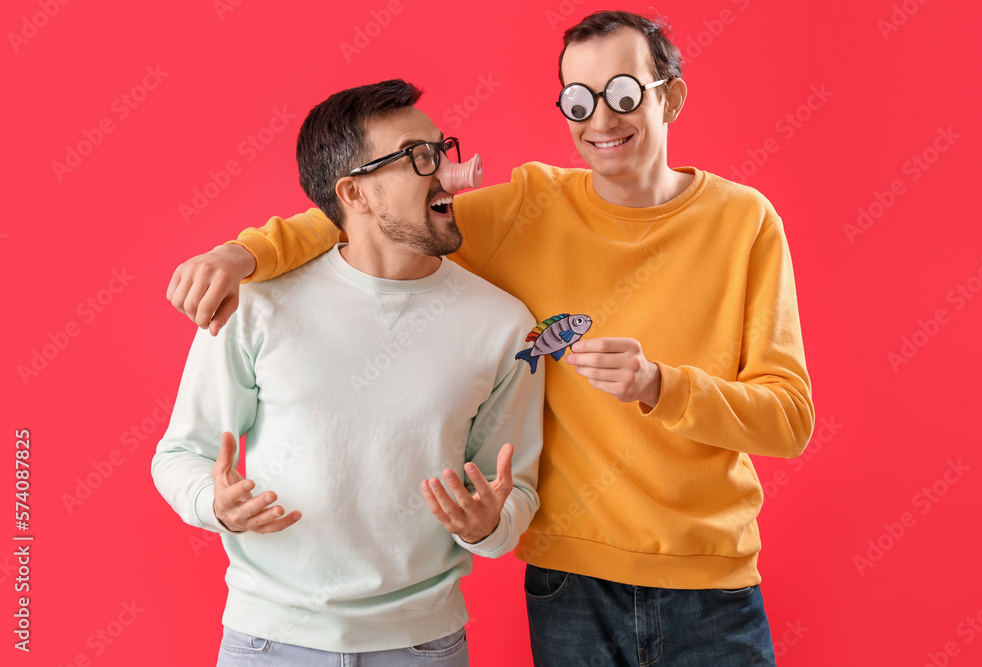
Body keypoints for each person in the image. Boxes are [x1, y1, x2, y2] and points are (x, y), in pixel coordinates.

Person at [167, 11, 815, 666]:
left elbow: (790, 421)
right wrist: (243, 255)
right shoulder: (530, 210)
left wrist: (660, 385)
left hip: (710, 581)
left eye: (623, 94)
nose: (601, 120)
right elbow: (371, 217)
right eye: (577, 100)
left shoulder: (744, 223)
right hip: (572, 582)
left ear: (669, 95)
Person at [151, 79, 544, 666]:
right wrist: (215, 502)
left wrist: (490, 524)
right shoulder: (254, 304)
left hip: (423, 647)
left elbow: (516, 491)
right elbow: (179, 455)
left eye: (442, 149)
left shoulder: (505, 326)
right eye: (419, 157)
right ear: (354, 194)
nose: (448, 172)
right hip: (267, 644)